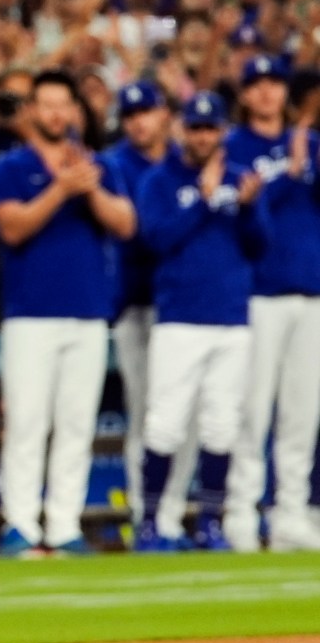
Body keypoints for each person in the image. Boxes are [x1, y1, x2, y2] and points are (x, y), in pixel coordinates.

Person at [0, 70, 136, 556]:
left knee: (76, 423)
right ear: (30, 111)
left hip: (88, 311)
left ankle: (65, 524)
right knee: (27, 421)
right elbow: (11, 228)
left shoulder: (98, 166)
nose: (54, 114)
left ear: (75, 110)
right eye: (44, 104)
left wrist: (87, 187)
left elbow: (125, 223)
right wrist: (61, 190)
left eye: (62, 105)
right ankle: (20, 524)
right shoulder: (11, 166)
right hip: (30, 313)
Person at [133, 92, 264, 552]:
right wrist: (204, 202)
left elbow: (259, 244)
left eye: (211, 128)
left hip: (230, 315)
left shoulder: (238, 177)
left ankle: (210, 522)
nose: (203, 136)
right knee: (165, 423)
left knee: (221, 426)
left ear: (222, 132)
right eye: (196, 128)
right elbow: (156, 239)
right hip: (180, 317)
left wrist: (247, 207)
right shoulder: (159, 180)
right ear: (181, 130)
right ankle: (149, 523)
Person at [223, 55, 320, 551]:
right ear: (243, 94)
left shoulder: (312, 143)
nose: (266, 93)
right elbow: (241, 213)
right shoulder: (233, 146)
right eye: (256, 84)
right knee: (253, 410)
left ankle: (292, 512)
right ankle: (242, 513)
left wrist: (309, 165)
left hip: (312, 292)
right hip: (259, 293)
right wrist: (289, 174)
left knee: (302, 414)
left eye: (274, 84)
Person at [101, 82, 174, 538]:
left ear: (163, 114)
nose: (139, 122)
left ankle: (173, 510)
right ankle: (144, 514)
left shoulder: (183, 160)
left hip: (183, 304)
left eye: (146, 112)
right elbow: (136, 230)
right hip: (134, 303)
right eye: (130, 115)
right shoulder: (115, 164)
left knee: (184, 416)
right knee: (146, 414)